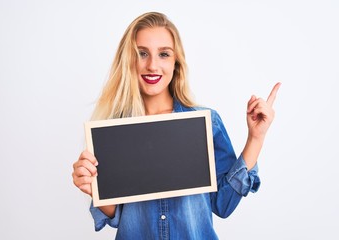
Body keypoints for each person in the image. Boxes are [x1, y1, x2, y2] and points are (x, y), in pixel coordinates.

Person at [72, 12, 281, 239]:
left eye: (163, 54)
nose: (153, 65)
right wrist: (96, 188)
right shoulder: (112, 132)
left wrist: (256, 138)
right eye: (142, 53)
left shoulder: (206, 123)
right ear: (128, 60)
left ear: (176, 62)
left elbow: (224, 205)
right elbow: (120, 218)